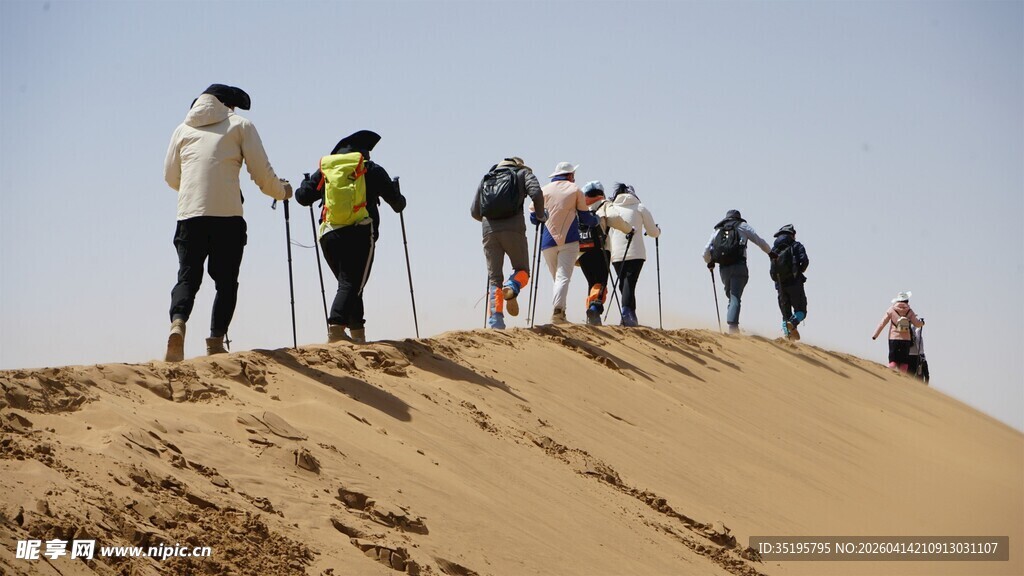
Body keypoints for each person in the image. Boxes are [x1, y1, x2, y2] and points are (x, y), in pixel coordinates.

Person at [163, 84, 292, 362]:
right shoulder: (240, 125)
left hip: (189, 215)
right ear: (227, 105)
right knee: (226, 282)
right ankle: (215, 342)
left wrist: (196, 194)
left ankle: (178, 323)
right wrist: (282, 191)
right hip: (228, 217)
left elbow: (171, 177)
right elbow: (261, 173)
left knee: (187, 277)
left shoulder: (181, 130)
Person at [295, 130, 406, 344]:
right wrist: (396, 191)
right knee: (352, 284)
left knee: (350, 284)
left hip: (329, 234)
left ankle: (357, 335)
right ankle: (336, 329)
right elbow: (398, 204)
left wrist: (304, 184)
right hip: (361, 233)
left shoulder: (326, 171)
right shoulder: (369, 169)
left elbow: (303, 197)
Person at [471, 157, 545, 329]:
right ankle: (512, 286)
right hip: (514, 230)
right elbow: (536, 193)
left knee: (494, 278)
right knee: (523, 271)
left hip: (488, 231)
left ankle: (496, 320)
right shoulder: (523, 173)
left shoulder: (487, 178)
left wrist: (491, 221)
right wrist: (541, 215)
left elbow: (475, 211)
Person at [532, 162, 590, 325]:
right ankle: (558, 312)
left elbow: (533, 217)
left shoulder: (543, 190)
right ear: (570, 175)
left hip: (547, 242)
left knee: (557, 279)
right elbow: (585, 217)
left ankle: (561, 312)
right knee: (562, 277)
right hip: (570, 240)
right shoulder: (576, 189)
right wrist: (596, 220)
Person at [703, 209, 771, 334]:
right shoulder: (742, 226)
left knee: (731, 296)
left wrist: (709, 262)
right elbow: (758, 240)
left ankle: (732, 322)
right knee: (735, 297)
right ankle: (733, 327)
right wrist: (770, 253)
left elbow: (706, 251)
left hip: (723, 269)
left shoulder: (718, 229)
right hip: (739, 266)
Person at [577, 181, 632, 325]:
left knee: (591, 282)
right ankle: (594, 308)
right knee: (600, 282)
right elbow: (615, 219)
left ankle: (591, 314)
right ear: (601, 193)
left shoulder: (580, 207)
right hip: (600, 249)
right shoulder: (605, 205)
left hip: (582, 251)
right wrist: (629, 230)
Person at [607, 184, 660, 327]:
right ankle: (626, 314)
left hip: (616, 254)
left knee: (624, 284)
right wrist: (657, 231)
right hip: (636, 253)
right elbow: (652, 231)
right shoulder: (640, 207)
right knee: (629, 283)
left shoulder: (612, 208)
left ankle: (631, 316)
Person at [769, 224, 809, 340]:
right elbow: (805, 261)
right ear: (791, 234)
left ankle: (787, 337)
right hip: (795, 283)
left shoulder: (774, 249)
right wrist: (798, 272)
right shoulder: (796, 245)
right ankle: (793, 323)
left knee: (785, 314)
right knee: (801, 310)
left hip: (780, 285)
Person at [871, 291, 925, 373]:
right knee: (904, 362)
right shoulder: (910, 311)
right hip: (906, 340)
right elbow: (917, 324)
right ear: (907, 301)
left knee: (893, 361)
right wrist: (922, 323)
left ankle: (889, 376)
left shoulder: (891, 310)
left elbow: (882, 323)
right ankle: (902, 378)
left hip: (893, 338)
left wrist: (875, 335)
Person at [907, 317, 929, 383]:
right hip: (916, 357)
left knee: (908, 377)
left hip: (906, 356)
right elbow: (918, 339)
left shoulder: (905, 329)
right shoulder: (917, 329)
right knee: (917, 379)